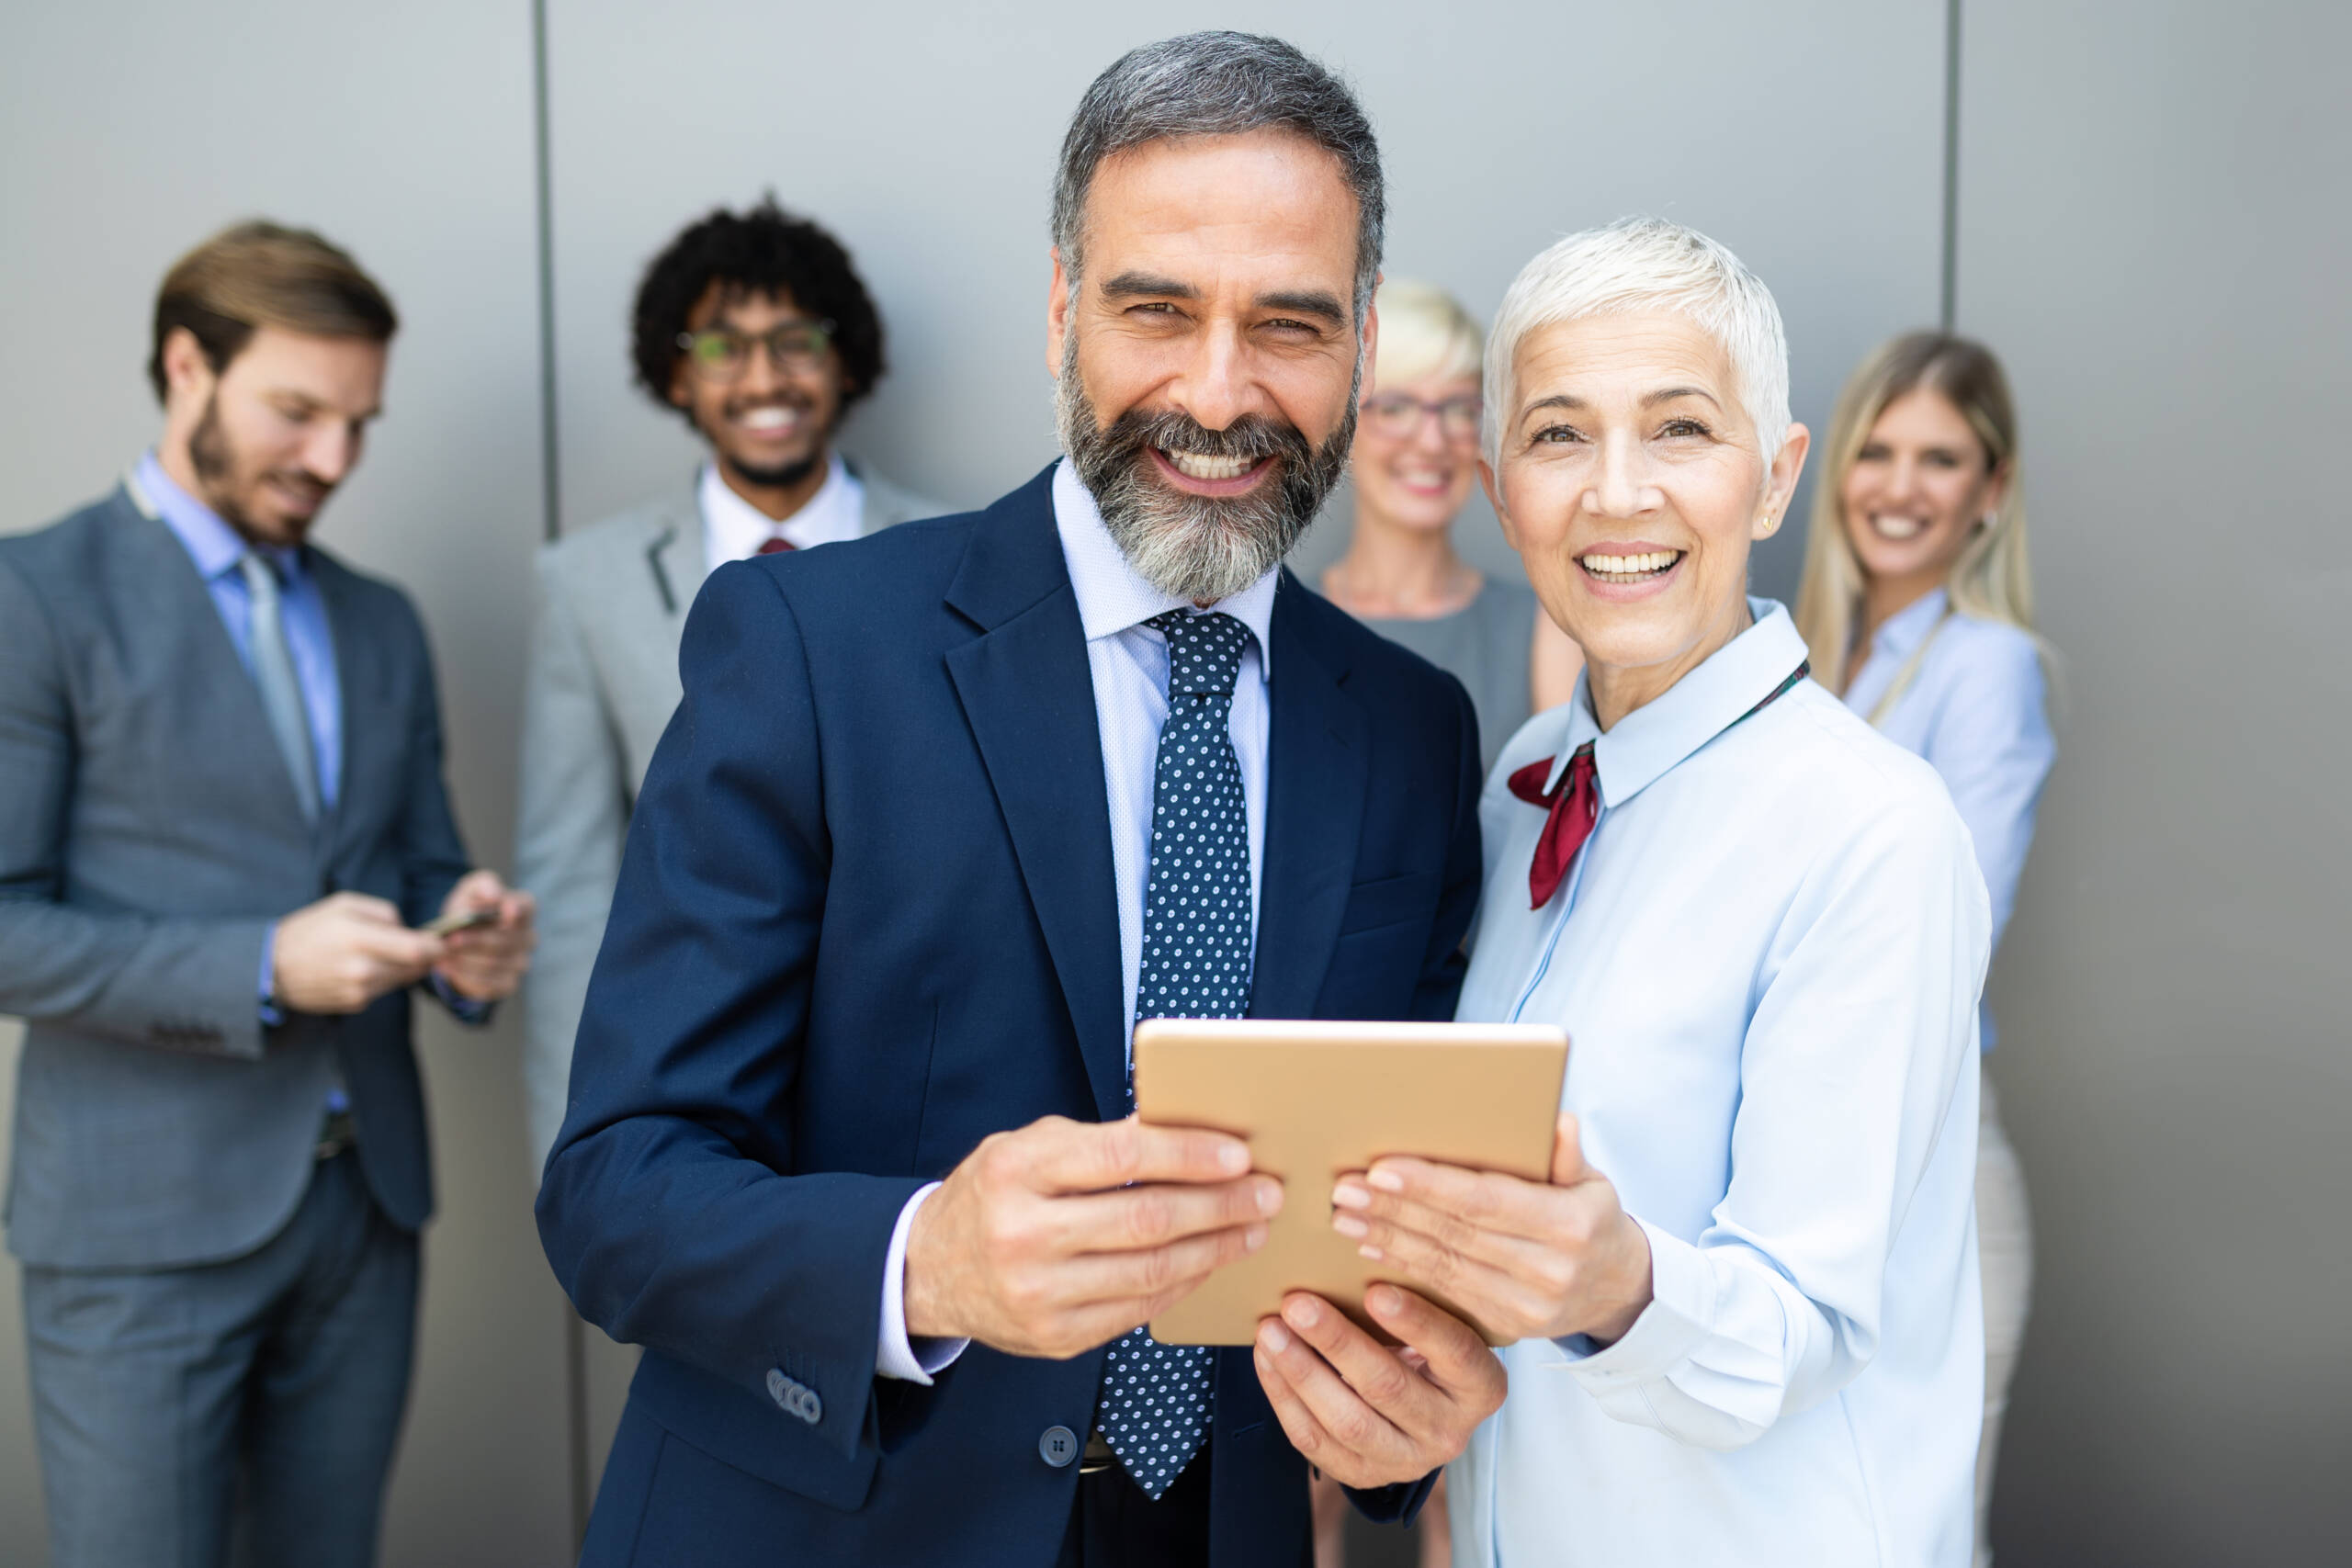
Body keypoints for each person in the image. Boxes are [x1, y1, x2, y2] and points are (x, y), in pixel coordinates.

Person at [537, 32, 1505, 1568]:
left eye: (1291, 324)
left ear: (1364, 345)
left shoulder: (1411, 730)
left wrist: (1409, 1409)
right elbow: (614, 1187)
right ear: (1064, 310)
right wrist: (924, 1263)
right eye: (1156, 309)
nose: (1216, 391)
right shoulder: (805, 646)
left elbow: (1384, 1214)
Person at [1313, 219, 1991, 1566]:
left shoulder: (1870, 830)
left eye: (1679, 428)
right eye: (1562, 436)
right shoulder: (1524, 776)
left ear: (1777, 475)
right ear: (1505, 492)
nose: (1619, 494)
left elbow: (1809, 1325)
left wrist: (1616, 1280)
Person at [0, 220, 537, 1568]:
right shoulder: (32, 595)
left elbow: (418, 860)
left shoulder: (378, 617)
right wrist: (259, 964)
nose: (333, 461)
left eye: (357, 423)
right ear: (188, 365)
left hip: (364, 1217)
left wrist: (462, 932)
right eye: (297, 413)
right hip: (137, 1233)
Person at [518, 197, 946, 1172]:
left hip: (910, 1095)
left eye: (795, 341)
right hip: (689, 1091)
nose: (763, 378)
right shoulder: (586, 583)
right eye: (723, 346)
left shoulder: (953, 561)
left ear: (847, 360)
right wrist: (573, 1154)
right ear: (677, 369)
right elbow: (572, 891)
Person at [1795, 331, 2052, 1567]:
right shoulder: (1802, 665)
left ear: (1989, 492)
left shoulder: (1986, 669)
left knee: (1916, 1536)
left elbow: (1955, 933)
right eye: (1879, 450)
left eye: (1940, 458)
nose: (1900, 486)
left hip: (1931, 1169)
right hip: (1808, 1166)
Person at [1321, 279, 1582, 774]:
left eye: (1460, 409)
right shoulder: (1274, 624)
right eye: (1396, 408)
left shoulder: (1545, 628)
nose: (1433, 441)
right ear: (1343, 425)